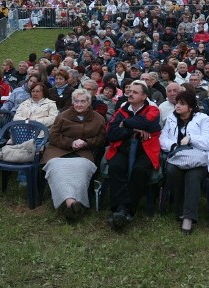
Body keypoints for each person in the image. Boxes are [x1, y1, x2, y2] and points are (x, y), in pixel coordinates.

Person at [42, 89, 106, 222]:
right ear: (72, 102)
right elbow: (53, 136)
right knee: (57, 169)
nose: (79, 104)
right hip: (59, 151)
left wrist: (86, 142)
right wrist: (71, 143)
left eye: (83, 101)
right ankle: (73, 204)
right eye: (76, 101)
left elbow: (101, 139)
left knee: (81, 170)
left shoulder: (98, 118)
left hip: (84, 152)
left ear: (89, 102)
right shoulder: (62, 116)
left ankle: (72, 205)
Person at [104, 80, 162, 230]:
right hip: (123, 148)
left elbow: (148, 124)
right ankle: (120, 210)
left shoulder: (153, 110)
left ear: (144, 96)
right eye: (129, 91)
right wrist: (132, 130)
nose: (130, 94)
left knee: (140, 171)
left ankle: (125, 210)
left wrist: (125, 124)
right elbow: (110, 132)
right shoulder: (122, 109)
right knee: (116, 166)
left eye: (135, 92)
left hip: (145, 149)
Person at [159, 90, 209, 235]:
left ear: (191, 107)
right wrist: (174, 145)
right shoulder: (172, 119)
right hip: (178, 157)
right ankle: (180, 209)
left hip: (199, 159)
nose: (177, 106)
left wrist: (191, 139)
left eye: (182, 103)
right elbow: (162, 138)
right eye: (177, 103)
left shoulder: (203, 118)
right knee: (172, 170)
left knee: (193, 176)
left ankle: (188, 217)